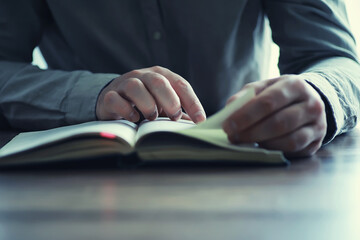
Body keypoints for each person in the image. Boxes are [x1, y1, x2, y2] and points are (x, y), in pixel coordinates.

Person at [0, 0, 359, 158]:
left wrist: (321, 95)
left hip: (250, 161)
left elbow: (335, 58)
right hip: (79, 173)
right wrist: (93, 94)